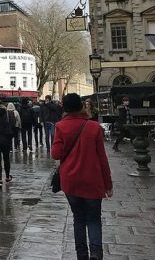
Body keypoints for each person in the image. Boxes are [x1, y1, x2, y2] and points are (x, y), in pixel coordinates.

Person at [52, 93, 113, 260]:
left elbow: (56, 154)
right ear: (81, 106)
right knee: (94, 219)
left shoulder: (60, 127)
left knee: (78, 218)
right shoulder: (94, 127)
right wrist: (108, 184)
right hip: (93, 180)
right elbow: (102, 158)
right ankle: (96, 253)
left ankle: (82, 255)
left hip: (71, 181)